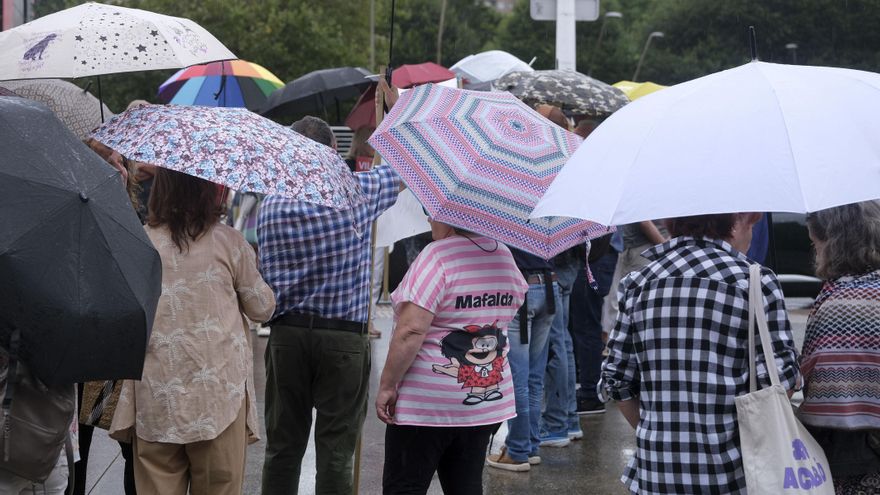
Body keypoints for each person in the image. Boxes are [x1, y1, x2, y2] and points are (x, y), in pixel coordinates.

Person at [600, 212, 800, 494]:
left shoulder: (637, 284)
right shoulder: (754, 282)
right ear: (734, 222)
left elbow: (617, 379)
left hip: (656, 476)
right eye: (750, 224)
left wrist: (660, 434)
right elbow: (781, 382)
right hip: (736, 476)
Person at [259, 109, 401, 494]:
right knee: (337, 452)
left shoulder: (270, 204)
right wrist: (391, 116)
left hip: (286, 336)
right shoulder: (357, 193)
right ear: (333, 151)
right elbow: (402, 170)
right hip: (343, 340)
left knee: (282, 448)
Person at [110, 168, 275, 495]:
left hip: (156, 397)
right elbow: (262, 307)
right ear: (207, 188)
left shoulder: (140, 241)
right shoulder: (228, 242)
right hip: (217, 399)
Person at [375, 215, 527, 494]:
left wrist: (387, 385)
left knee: (405, 486)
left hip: (427, 406)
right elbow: (514, 302)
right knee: (465, 486)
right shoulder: (503, 254)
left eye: (432, 214)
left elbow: (410, 330)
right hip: (483, 407)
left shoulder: (437, 256)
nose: (428, 218)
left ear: (450, 218)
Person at [800, 201, 880, 493]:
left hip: (845, 452)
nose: (815, 253)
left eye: (815, 244)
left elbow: (809, 377)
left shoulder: (833, 302)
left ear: (834, 244)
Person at [485, 246, 561, 471]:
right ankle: (530, 446)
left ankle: (517, 450)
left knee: (517, 378)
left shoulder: (508, 213)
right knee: (534, 378)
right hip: (550, 286)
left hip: (520, 288)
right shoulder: (543, 211)